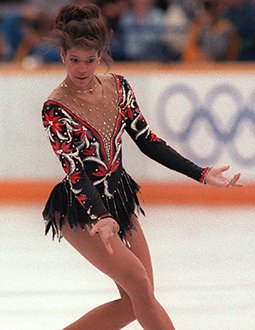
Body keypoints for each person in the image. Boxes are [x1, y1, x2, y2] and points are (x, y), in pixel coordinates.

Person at [41, 4, 242, 330]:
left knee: (137, 299)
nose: (81, 68)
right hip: (81, 208)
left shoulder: (119, 87)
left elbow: (148, 141)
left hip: (118, 199)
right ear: (63, 54)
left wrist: (200, 173)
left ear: (100, 54)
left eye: (89, 60)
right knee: (138, 284)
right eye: (74, 59)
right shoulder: (55, 108)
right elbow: (74, 171)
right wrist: (101, 216)